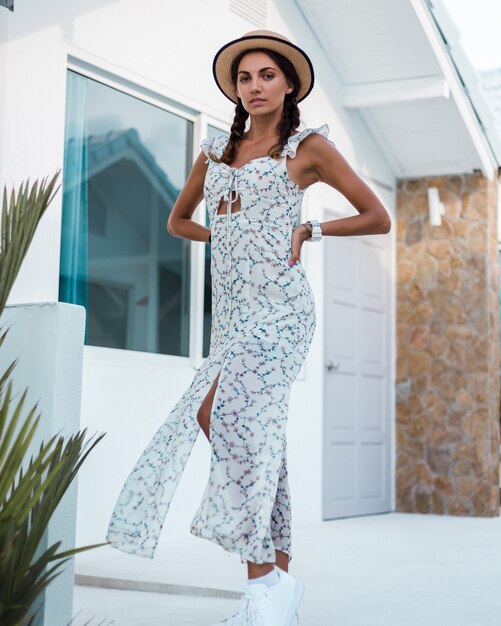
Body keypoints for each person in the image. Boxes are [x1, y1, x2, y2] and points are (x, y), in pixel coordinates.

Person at [106, 30, 391, 626]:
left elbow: (376, 216)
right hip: (232, 315)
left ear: (288, 85)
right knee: (259, 441)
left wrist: (310, 232)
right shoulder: (213, 152)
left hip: (282, 310)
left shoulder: (306, 149)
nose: (255, 86)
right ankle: (277, 585)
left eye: (266, 75)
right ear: (235, 90)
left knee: (219, 415)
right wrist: (228, 235)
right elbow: (178, 221)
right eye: (244, 78)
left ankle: (261, 582)